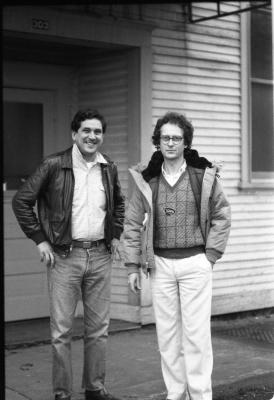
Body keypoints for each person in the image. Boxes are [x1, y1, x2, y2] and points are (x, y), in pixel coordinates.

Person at [12, 109, 125, 400]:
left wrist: (114, 236)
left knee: (98, 330)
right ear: (74, 134)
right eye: (86, 130)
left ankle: (94, 389)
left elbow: (119, 205)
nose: (92, 136)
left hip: (100, 255)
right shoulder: (54, 165)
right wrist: (40, 240)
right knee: (61, 332)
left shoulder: (107, 167)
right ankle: (62, 394)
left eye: (97, 131)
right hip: (64, 256)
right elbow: (22, 200)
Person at [123, 111, 231, 400]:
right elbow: (132, 224)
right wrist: (133, 265)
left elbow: (221, 215)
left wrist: (211, 255)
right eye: (165, 137)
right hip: (159, 265)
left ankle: (200, 395)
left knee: (196, 336)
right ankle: (175, 394)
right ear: (157, 142)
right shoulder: (149, 180)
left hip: (196, 262)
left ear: (186, 143)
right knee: (168, 337)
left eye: (176, 138)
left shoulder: (202, 177)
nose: (170, 142)